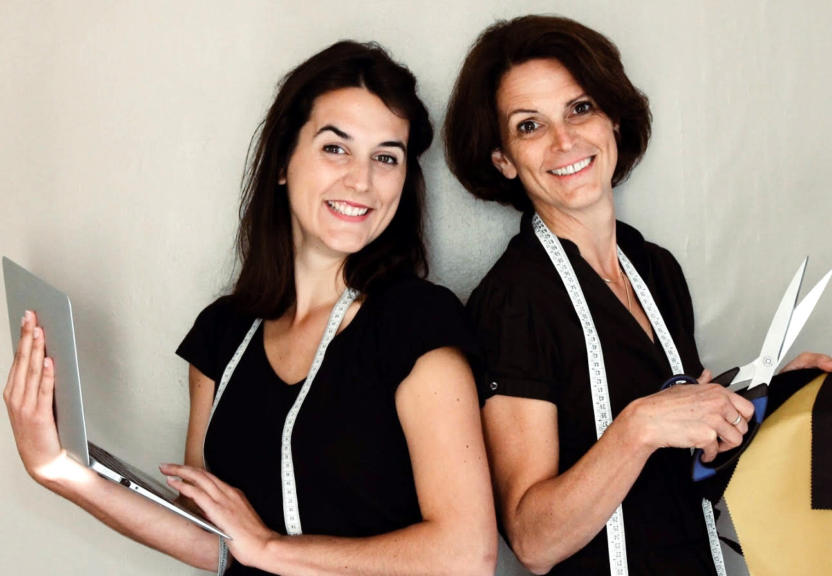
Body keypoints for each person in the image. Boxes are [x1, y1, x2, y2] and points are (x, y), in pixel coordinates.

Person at [5, 41, 496, 576]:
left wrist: (270, 549)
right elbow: (214, 542)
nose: (361, 179)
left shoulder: (419, 323)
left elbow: (464, 555)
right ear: (283, 162)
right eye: (335, 148)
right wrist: (60, 471)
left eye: (386, 157)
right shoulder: (222, 334)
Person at [444, 15, 832, 576]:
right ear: (503, 160)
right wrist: (639, 427)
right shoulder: (514, 301)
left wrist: (765, 402)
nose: (565, 140)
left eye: (580, 108)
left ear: (614, 122)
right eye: (530, 126)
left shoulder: (655, 269)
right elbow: (533, 540)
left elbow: (691, 467)